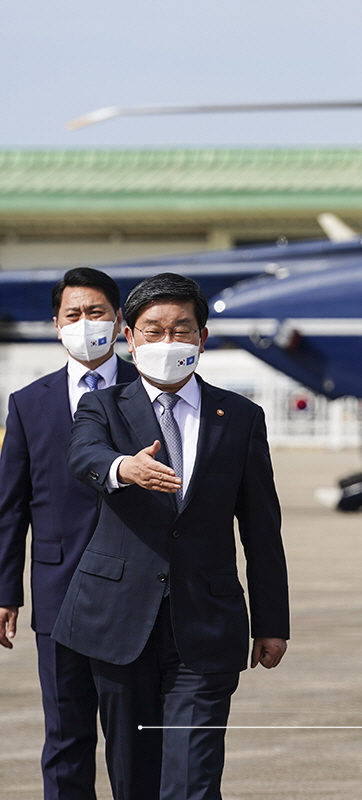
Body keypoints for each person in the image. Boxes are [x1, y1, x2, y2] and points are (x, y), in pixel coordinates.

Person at [54, 272, 290, 800]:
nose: (168, 343)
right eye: (153, 331)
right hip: (118, 622)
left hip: (205, 623)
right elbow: (83, 454)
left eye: (181, 330)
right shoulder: (103, 406)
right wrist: (122, 468)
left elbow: (261, 528)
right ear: (129, 338)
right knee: (134, 777)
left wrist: (272, 621)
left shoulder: (241, 417)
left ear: (202, 338)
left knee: (193, 780)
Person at [0, 267, 140, 800]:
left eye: (97, 313)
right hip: (59, 598)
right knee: (65, 740)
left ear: (120, 321)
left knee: (131, 744)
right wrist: (4, 591)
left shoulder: (153, 392)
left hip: (136, 597)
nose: (86, 324)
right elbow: (10, 507)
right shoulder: (29, 403)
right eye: (73, 315)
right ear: (56, 325)